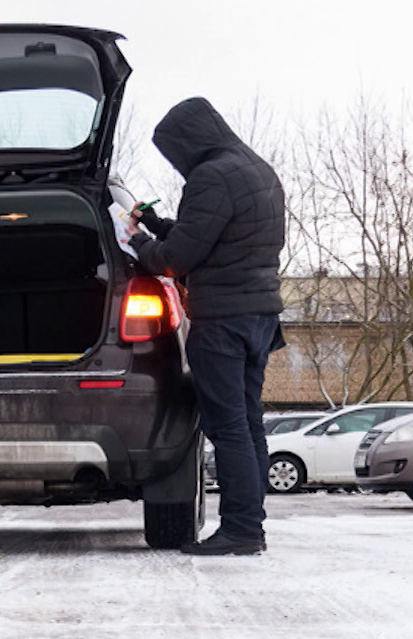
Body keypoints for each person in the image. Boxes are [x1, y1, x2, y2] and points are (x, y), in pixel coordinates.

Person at [128, 97, 287, 557]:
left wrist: (139, 242)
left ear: (187, 141)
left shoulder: (211, 176)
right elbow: (219, 238)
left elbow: (178, 258)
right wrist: (160, 225)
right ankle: (250, 523)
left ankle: (241, 530)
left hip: (224, 320)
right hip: (259, 315)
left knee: (228, 425)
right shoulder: (257, 170)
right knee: (247, 421)